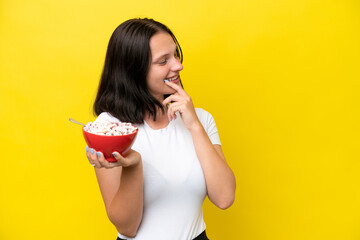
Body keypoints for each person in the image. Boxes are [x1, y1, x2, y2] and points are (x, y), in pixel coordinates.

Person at [85, 18, 236, 240]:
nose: (178, 65)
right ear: (133, 71)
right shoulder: (110, 129)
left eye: (175, 55)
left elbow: (224, 198)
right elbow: (127, 227)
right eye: (163, 61)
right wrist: (133, 166)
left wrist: (194, 125)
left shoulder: (201, 119)